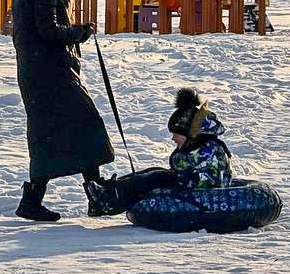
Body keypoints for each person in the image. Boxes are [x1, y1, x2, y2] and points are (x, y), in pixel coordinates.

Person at [11, 0, 113, 221]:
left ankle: (41, 198)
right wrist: (78, 33)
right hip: (51, 71)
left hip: (37, 71)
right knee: (85, 123)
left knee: (51, 133)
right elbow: (49, 31)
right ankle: (94, 193)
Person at [84, 88, 233, 216]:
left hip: (201, 191)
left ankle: (110, 195)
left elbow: (179, 165)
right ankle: (108, 191)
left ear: (191, 134)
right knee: (154, 171)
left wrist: (180, 154)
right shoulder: (203, 144)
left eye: (177, 134)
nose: (173, 138)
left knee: (157, 177)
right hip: (193, 183)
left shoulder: (207, 148)